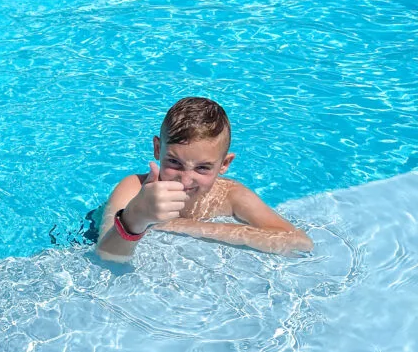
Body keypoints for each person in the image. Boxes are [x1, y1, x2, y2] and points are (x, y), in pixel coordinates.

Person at [96, 97, 313, 262]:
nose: (185, 180)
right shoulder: (134, 188)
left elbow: (298, 242)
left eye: (202, 168)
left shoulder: (229, 195)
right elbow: (107, 256)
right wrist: (136, 216)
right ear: (156, 149)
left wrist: (186, 226)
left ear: (224, 164)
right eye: (174, 163)